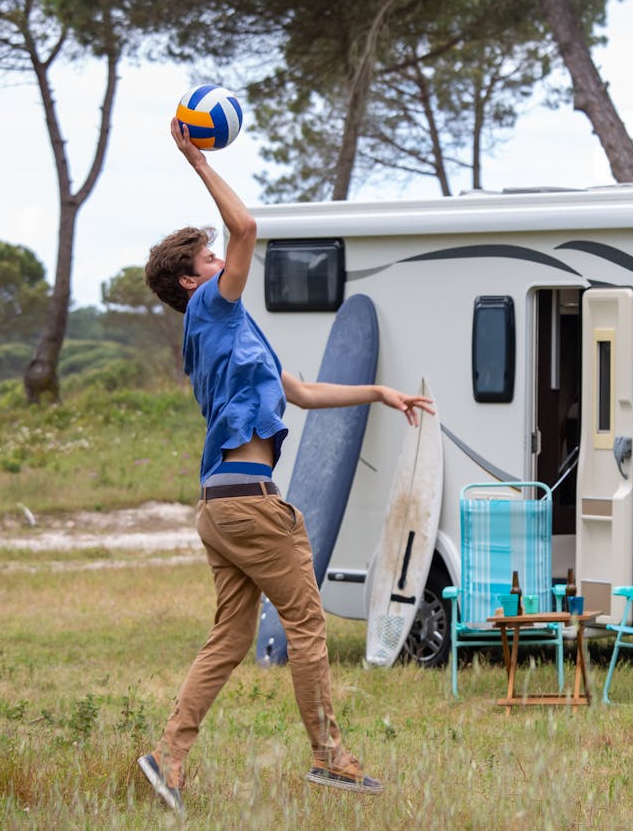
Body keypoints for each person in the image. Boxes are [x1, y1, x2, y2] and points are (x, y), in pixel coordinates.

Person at [136, 118, 434, 814]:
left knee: (231, 637)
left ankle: (169, 757)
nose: (221, 261)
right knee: (308, 626)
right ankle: (330, 755)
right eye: (206, 258)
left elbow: (299, 390)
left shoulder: (230, 329)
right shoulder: (212, 306)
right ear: (191, 278)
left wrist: (378, 392)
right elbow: (246, 228)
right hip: (252, 503)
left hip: (220, 507)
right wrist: (198, 163)